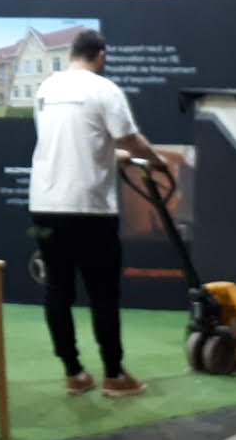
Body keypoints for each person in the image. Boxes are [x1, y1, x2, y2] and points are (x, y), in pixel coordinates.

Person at [28, 28, 156, 397]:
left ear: (71, 54)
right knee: (103, 294)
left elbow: (73, 142)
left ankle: (74, 372)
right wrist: (155, 160)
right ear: (102, 56)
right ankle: (114, 375)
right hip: (90, 210)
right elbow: (131, 140)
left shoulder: (46, 88)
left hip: (45, 206)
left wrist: (113, 156)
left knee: (57, 289)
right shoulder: (104, 89)